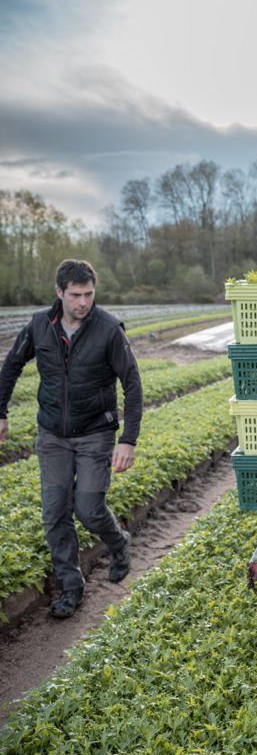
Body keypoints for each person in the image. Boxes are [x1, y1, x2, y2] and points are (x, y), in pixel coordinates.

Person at [0, 259, 143, 618]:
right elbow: (11, 366)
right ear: (59, 292)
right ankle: (71, 587)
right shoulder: (39, 325)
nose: (83, 302)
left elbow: (133, 383)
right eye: (76, 295)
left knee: (89, 508)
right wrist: (1, 411)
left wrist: (129, 439)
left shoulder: (109, 330)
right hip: (52, 436)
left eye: (89, 294)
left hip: (96, 433)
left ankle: (118, 543)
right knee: (55, 513)